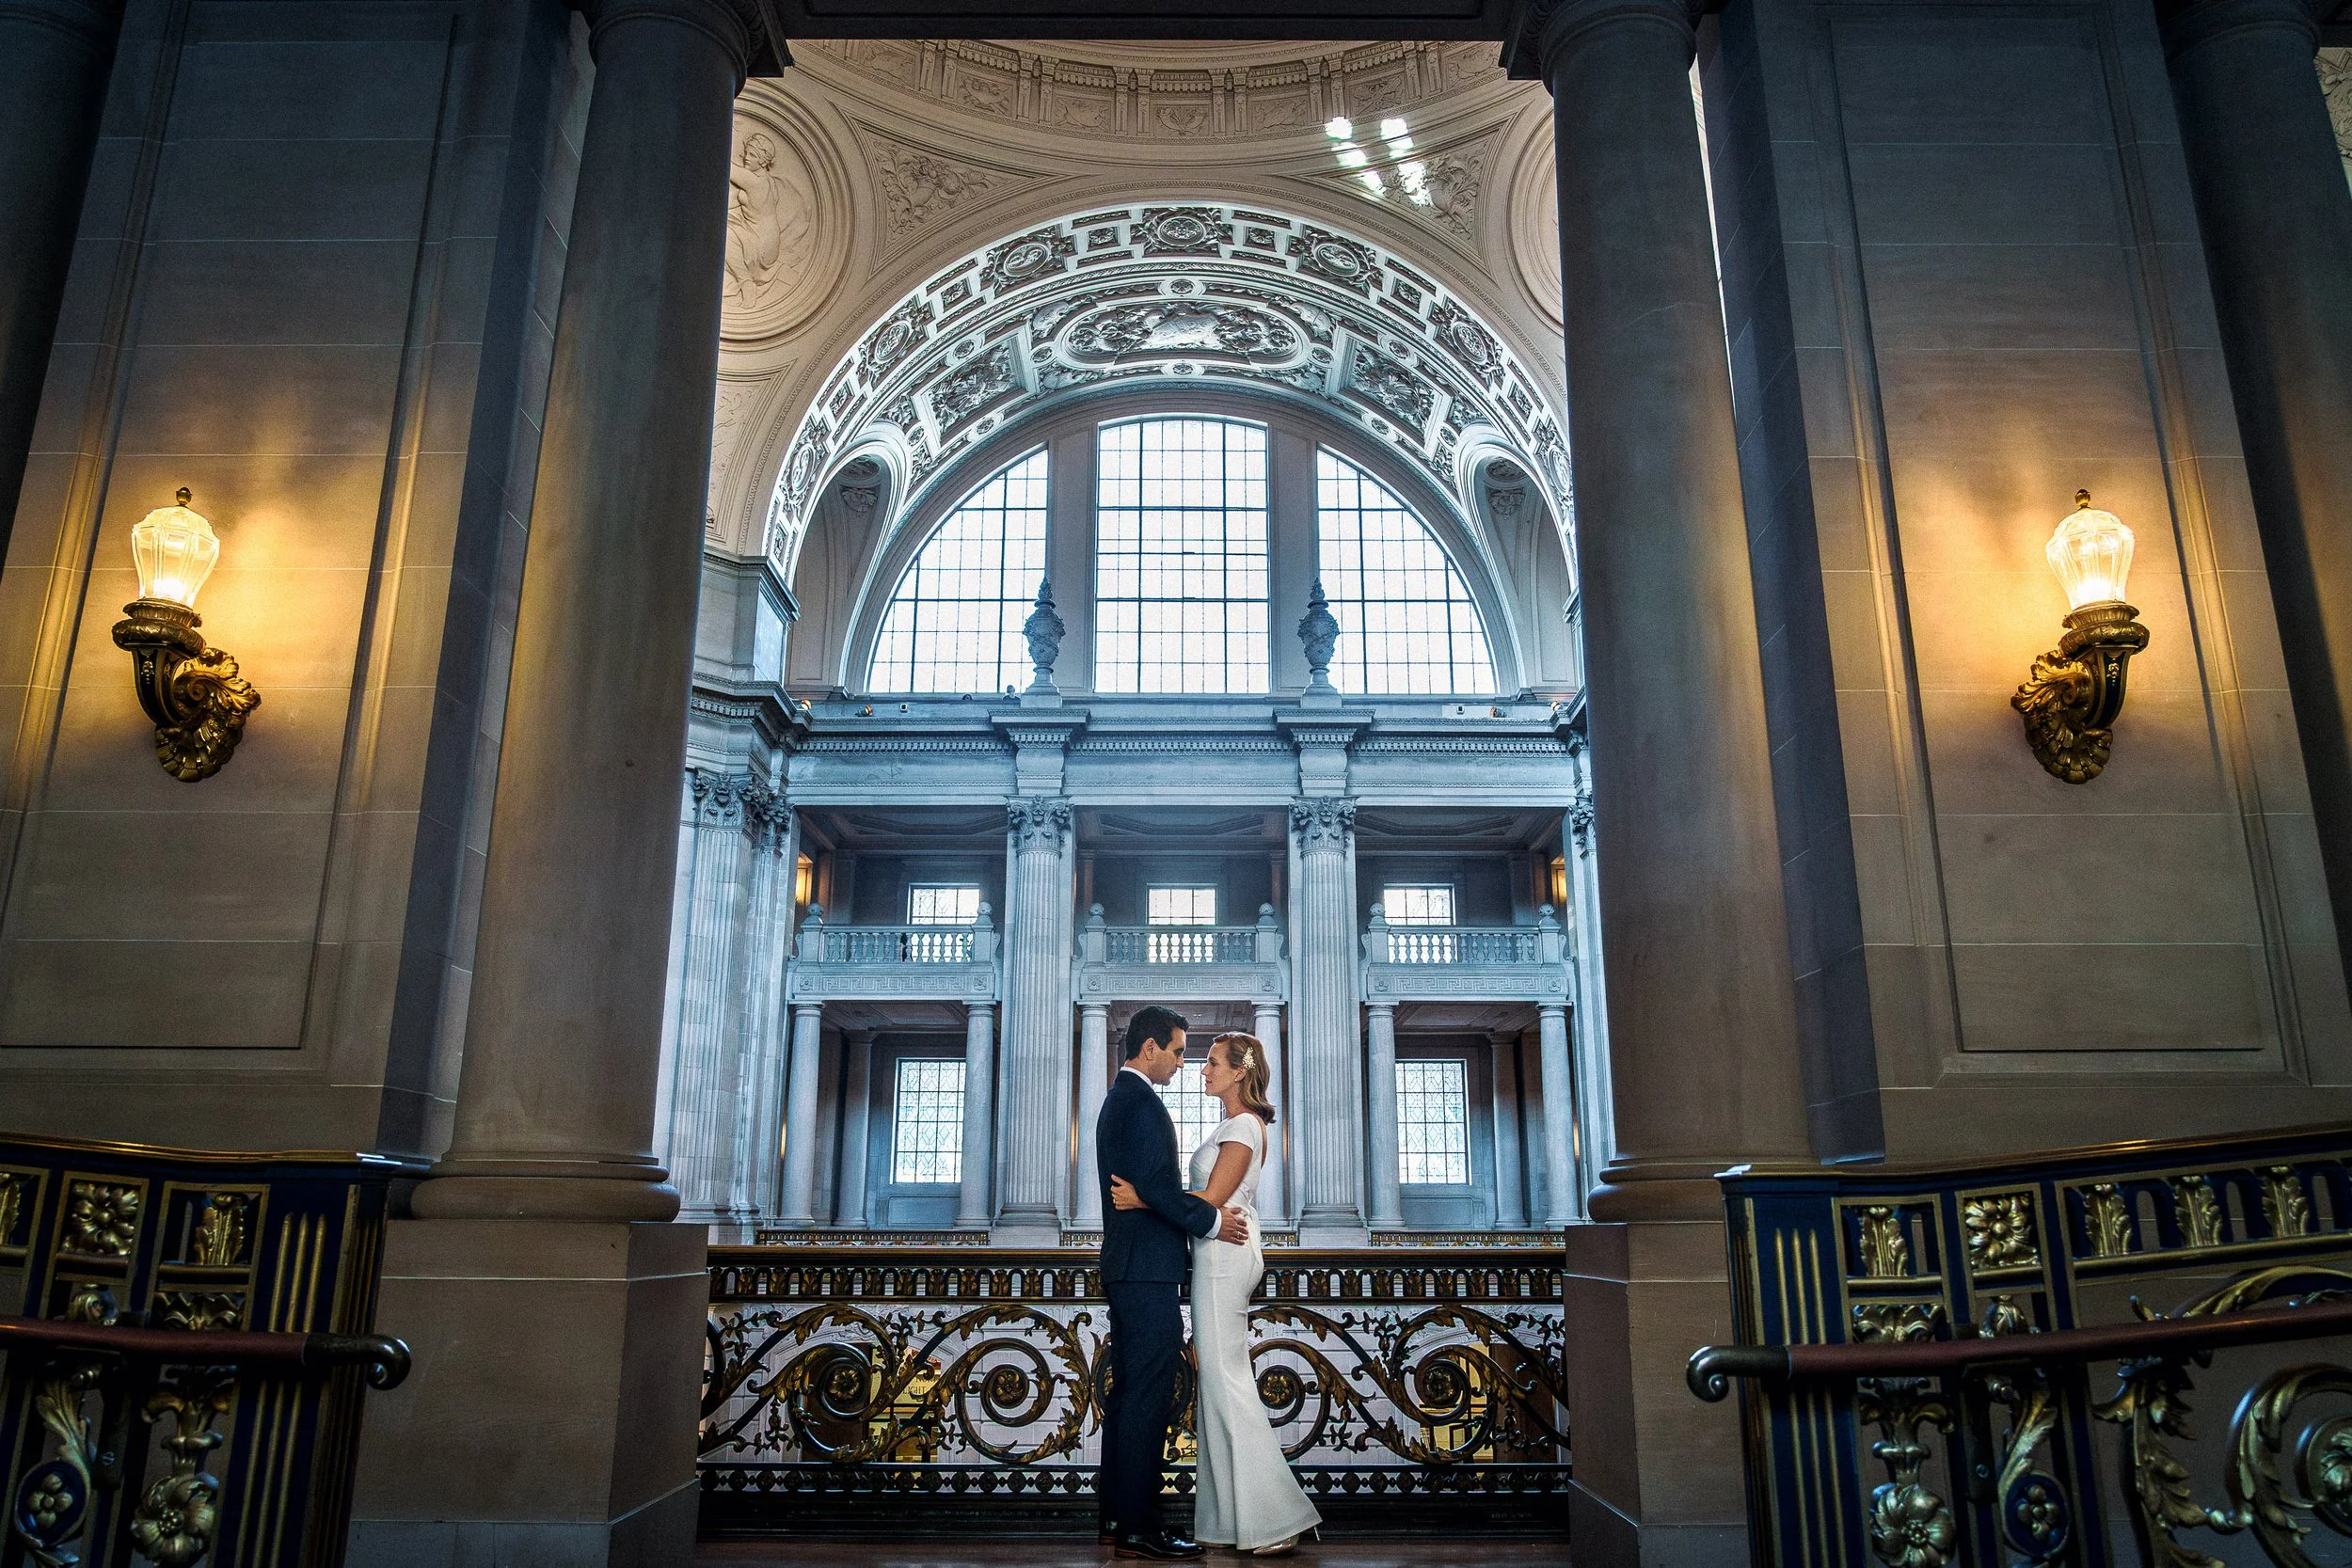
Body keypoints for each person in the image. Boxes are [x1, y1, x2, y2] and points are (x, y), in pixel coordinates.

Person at [1112, 1032, 1322, 1558]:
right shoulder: (1233, 1124)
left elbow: (1211, 1199)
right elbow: (1204, 1206)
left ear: (1237, 1072)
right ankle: (1233, 1517)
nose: (1201, 1070)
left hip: (1226, 1255)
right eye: (1198, 1060)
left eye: (1210, 1062)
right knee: (1218, 1381)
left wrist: (1142, 1198)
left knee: (1227, 1379)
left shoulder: (1246, 1125)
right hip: (1213, 1253)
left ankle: (1274, 1517)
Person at [1095, 1006, 1249, 1561]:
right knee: (1146, 1396)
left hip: (1135, 1266)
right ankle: (1138, 1526)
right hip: (1145, 1269)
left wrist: (1149, 1197)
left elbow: (1148, 1189)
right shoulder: (1138, 1103)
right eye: (1181, 1051)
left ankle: (1117, 1518)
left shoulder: (1127, 1099)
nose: (1184, 1063)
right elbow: (1157, 1186)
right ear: (1151, 1048)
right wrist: (1210, 1220)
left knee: (1129, 1393)